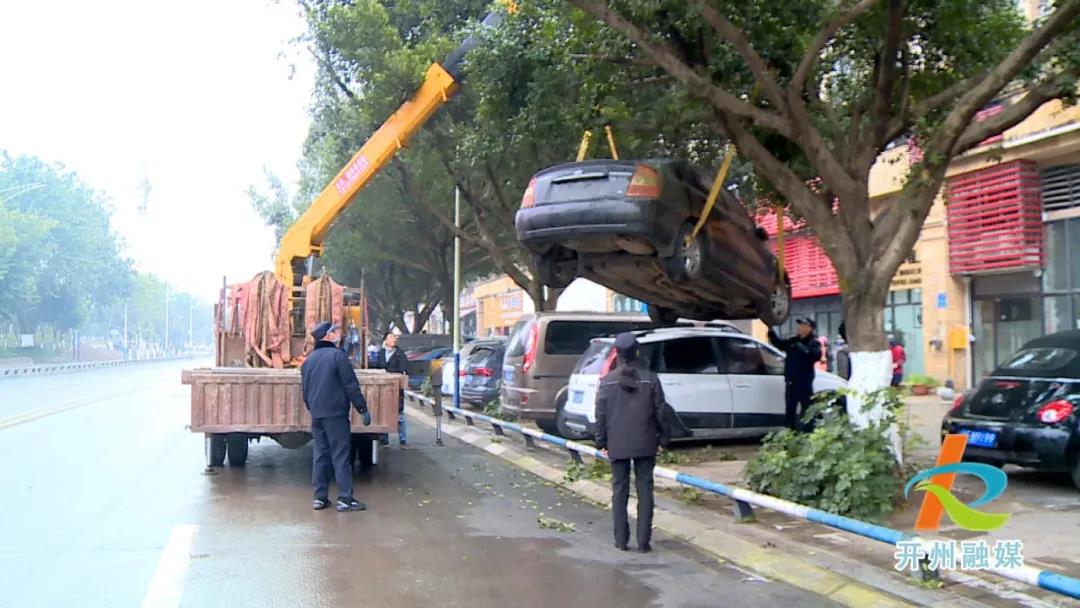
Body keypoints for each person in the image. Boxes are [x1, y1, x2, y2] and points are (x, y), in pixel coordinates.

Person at [594, 333, 670, 553]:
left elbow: (600, 414)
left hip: (616, 444)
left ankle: (621, 541)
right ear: (637, 352)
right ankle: (644, 541)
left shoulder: (607, 382)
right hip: (646, 442)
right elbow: (661, 413)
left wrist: (601, 442)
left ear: (617, 353)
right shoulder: (651, 379)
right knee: (645, 490)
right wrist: (663, 439)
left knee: (619, 491)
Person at [301, 321, 371, 512]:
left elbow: (305, 392)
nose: (338, 334)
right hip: (336, 416)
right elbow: (351, 386)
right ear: (327, 336)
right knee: (340, 456)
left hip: (317, 416)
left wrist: (314, 409)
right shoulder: (338, 357)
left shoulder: (308, 361)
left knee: (320, 455)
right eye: (335, 331)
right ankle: (345, 499)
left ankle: (319, 497)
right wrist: (362, 409)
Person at [767, 318, 822, 432]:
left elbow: (815, 355)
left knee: (807, 411)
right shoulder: (793, 340)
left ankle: (809, 435)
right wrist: (771, 330)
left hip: (804, 384)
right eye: (799, 325)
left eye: (803, 325)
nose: (800, 327)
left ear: (810, 328)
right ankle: (790, 437)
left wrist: (802, 347)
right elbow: (780, 344)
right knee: (790, 412)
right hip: (791, 383)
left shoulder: (814, 342)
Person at [374, 332, 408, 448]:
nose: (394, 339)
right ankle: (384, 441)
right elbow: (378, 367)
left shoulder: (400, 353)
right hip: (383, 387)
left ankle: (403, 440)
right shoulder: (381, 353)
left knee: (399, 415)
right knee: (383, 413)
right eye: (391, 337)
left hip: (396, 388)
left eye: (394, 337)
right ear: (386, 340)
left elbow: (404, 370)